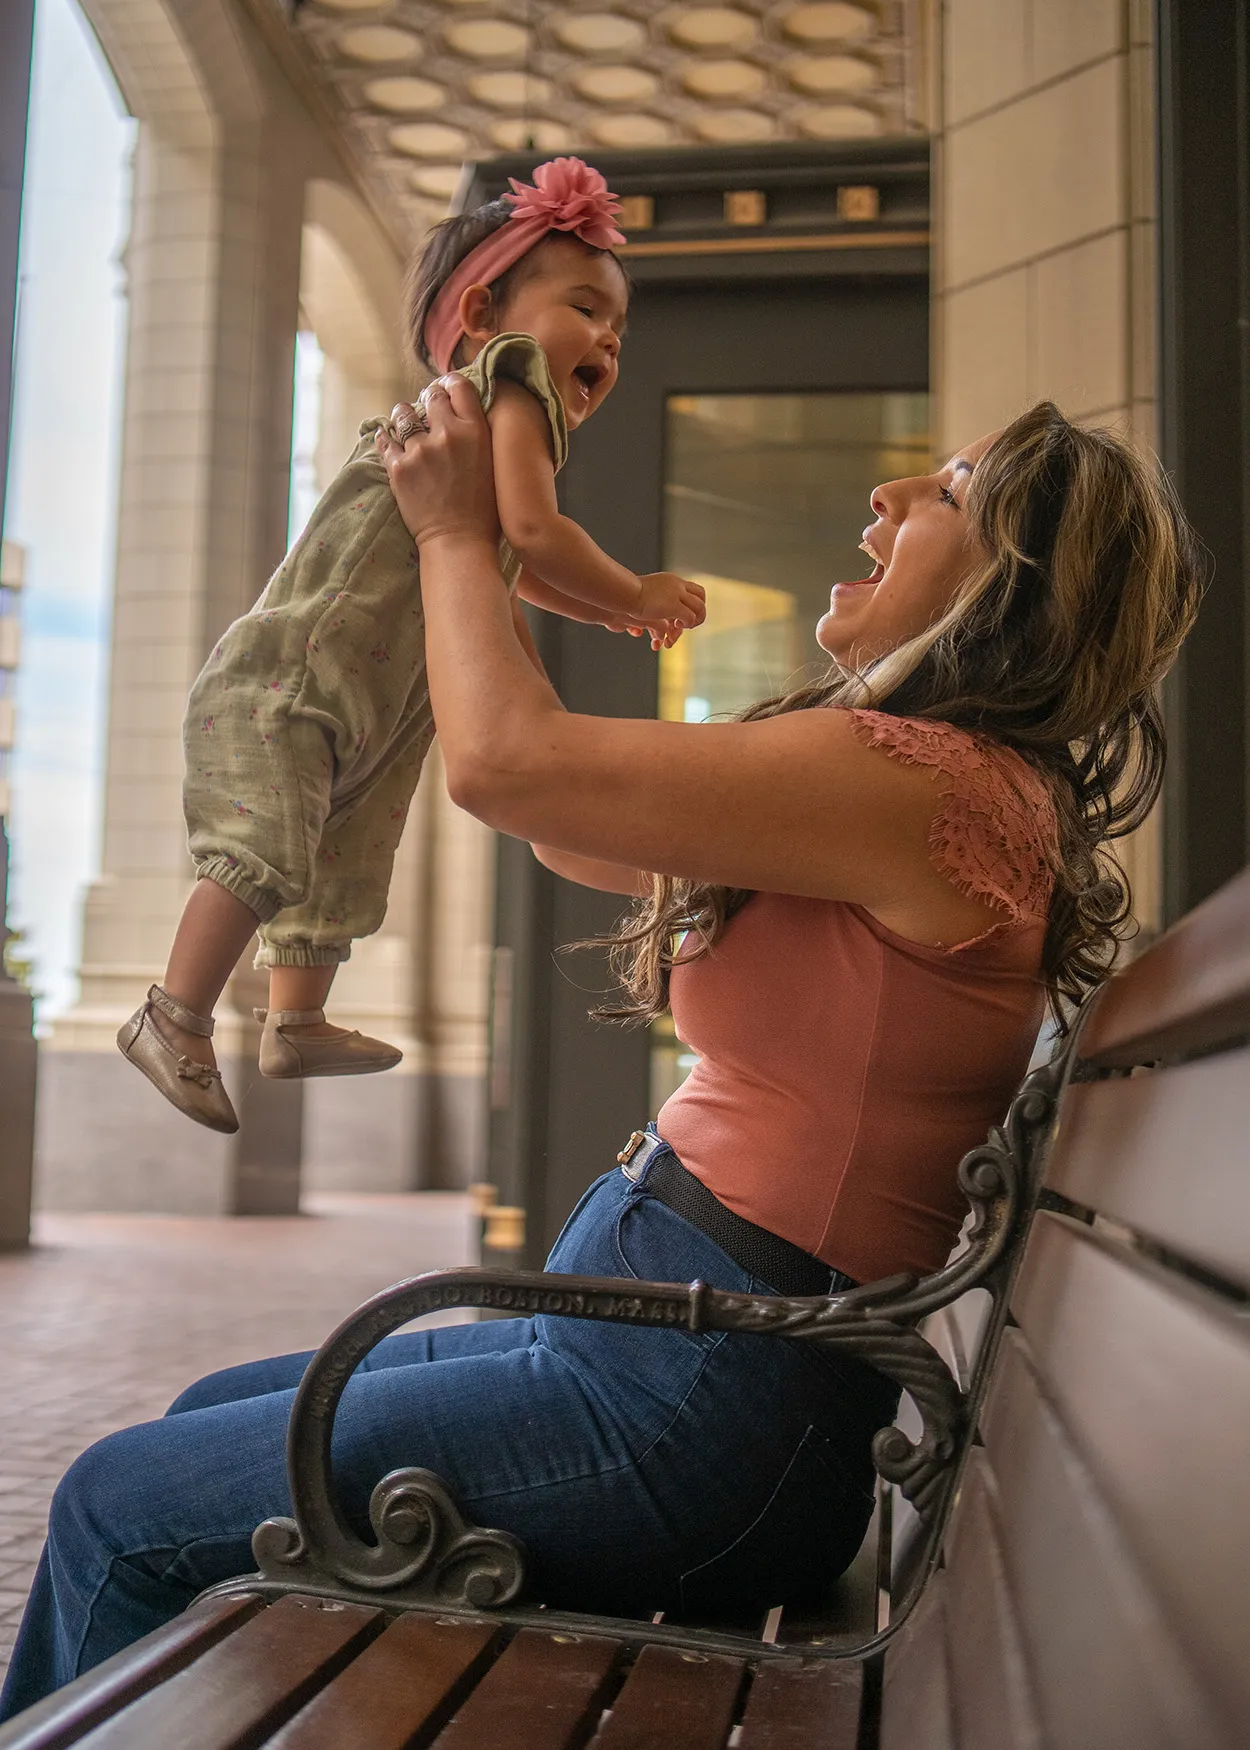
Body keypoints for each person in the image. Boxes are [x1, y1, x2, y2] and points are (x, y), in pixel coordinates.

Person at [0, 393, 1202, 1724]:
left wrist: (460, 535)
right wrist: (482, 554)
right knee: (213, 1411)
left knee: (120, 1499)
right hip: (682, 1358)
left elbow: (515, 771)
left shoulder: (929, 781)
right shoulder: (931, 785)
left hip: (699, 1407)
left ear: (1016, 584)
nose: (892, 496)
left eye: (952, 490)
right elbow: (571, 824)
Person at [117, 157, 705, 1135]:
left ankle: (295, 1019)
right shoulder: (509, 387)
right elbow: (532, 531)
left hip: (363, 690)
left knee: (341, 852)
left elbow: (503, 557)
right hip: (295, 673)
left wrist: (600, 613)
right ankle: (171, 1015)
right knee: (263, 852)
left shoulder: (465, 421)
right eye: (584, 307)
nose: (605, 337)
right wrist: (629, 588)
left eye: (616, 325)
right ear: (482, 314)